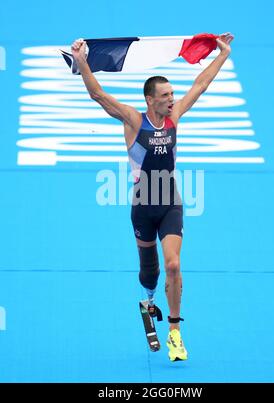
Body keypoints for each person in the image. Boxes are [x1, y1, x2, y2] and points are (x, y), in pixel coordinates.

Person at [71, 32, 234, 361]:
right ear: (150, 100)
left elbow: (200, 85)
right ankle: (147, 301)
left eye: (173, 93)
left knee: (173, 265)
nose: (172, 99)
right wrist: (82, 62)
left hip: (170, 203)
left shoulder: (175, 117)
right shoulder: (133, 119)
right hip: (142, 207)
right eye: (166, 95)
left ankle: (175, 331)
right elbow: (98, 95)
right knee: (151, 269)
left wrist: (222, 55)